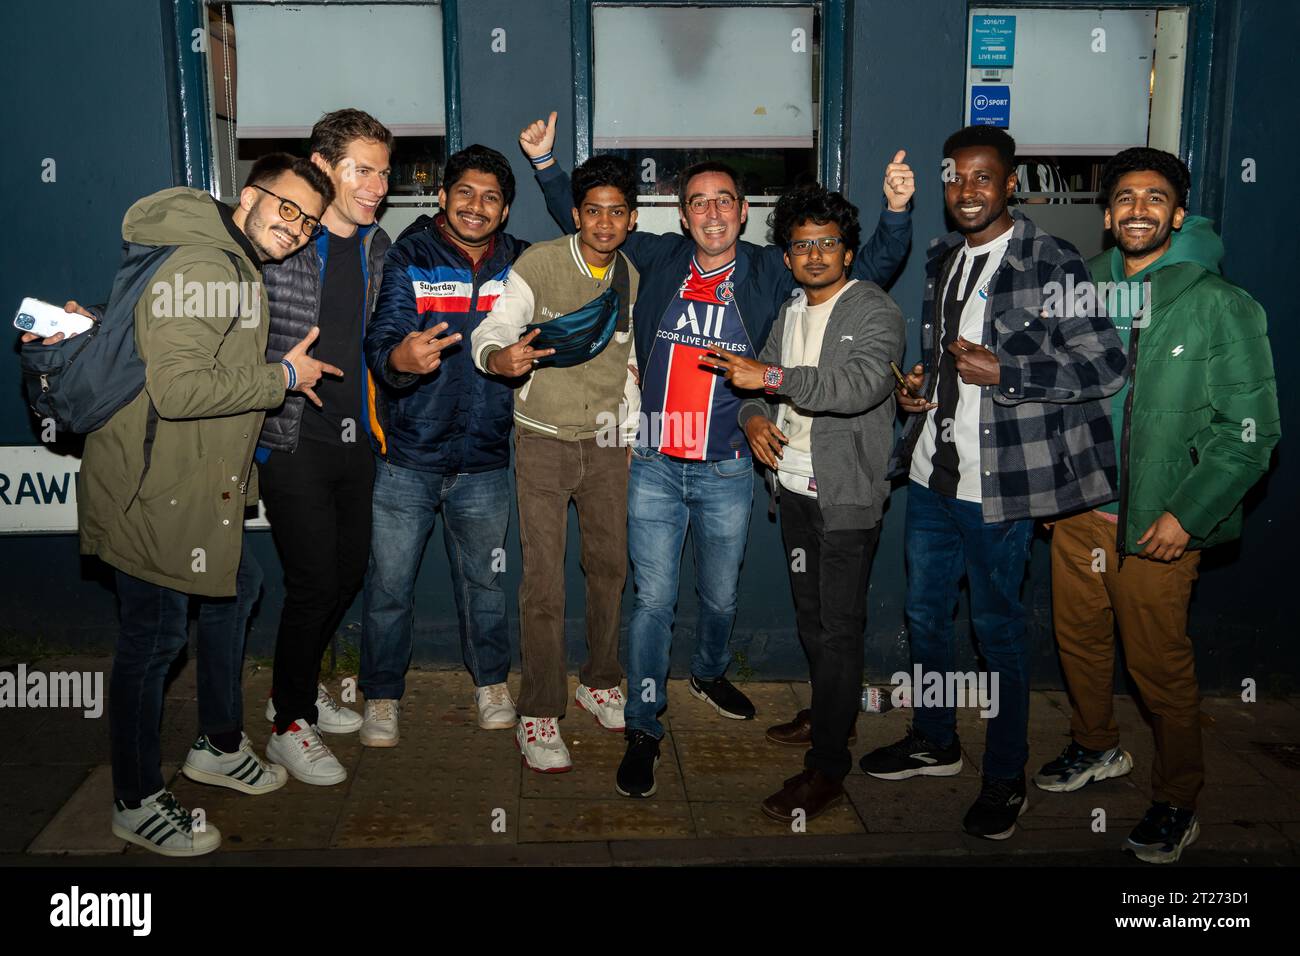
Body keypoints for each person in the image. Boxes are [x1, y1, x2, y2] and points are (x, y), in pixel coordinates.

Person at [519, 112, 915, 799]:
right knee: (654, 602)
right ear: (682, 214)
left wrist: (899, 213)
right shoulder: (661, 259)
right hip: (652, 467)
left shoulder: (772, 269)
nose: (711, 211)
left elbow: (862, 265)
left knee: (721, 595)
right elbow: (593, 223)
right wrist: (547, 167)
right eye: (697, 200)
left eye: (723, 200)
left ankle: (706, 670)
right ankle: (645, 723)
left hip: (731, 468)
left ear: (742, 211)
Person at [37, 155, 337, 856]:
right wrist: (283, 375)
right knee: (154, 639)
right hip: (154, 488)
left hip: (190, 484)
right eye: (288, 208)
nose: (296, 229)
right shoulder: (209, 266)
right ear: (251, 196)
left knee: (240, 588)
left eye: (309, 222)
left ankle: (218, 744)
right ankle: (136, 800)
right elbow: (178, 392)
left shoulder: (225, 259)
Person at [862, 125, 1127, 841]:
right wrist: (922, 390)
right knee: (923, 618)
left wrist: (1005, 373)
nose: (967, 191)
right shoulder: (944, 256)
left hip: (1001, 489)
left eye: (984, 178)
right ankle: (935, 739)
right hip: (928, 478)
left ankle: (1005, 776)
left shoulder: (1054, 262)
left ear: (1012, 183)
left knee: (997, 633)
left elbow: (1105, 368)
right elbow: (948, 365)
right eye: (956, 178)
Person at [1035, 147, 1279, 863]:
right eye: (1125, 198)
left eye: (1155, 197)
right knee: (1078, 646)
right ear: (1108, 216)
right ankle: (1095, 747)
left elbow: (1251, 433)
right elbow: (1063, 402)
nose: (1138, 208)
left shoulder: (1219, 303)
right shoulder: (1084, 289)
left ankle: (1177, 799)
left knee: (1159, 671)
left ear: (1177, 213)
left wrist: (1187, 516)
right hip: (1082, 515)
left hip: (1157, 526)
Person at [704, 184, 904, 821]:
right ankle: (830, 717)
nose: (814, 255)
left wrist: (764, 381)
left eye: (827, 243)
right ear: (786, 256)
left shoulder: (872, 309)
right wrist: (756, 417)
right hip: (790, 487)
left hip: (844, 498)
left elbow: (859, 385)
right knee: (813, 620)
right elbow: (757, 377)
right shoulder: (790, 311)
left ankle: (828, 769)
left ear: (848, 251)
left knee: (839, 632)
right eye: (801, 245)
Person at [472, 156, 641, 773]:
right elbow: (492, 329)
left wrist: (629, 427)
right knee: (542, 581)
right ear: (576, 214)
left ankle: (600, 680)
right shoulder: (539, 263)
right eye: (592, 210)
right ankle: (538, 711)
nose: (603, 221)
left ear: (630, 219)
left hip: (605, 445)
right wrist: (498, 358)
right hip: (541, 441)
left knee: (609, 569)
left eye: (616, 211)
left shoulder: (630, 275)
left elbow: (625, 363)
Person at [359, 145, 527, 745]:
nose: (475, 207)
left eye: (490, 198)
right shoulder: (409, 255)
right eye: (464, 193)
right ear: (442, 196)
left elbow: (557, 332)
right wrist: (401, 361)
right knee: (389, 586)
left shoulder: (523, 265)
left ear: (504, 211)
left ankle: (489, 683)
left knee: (484, 583)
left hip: (485, 459)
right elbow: (382, 345)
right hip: (409, 457)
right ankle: (380, 695)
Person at [257, 109, 394, 785]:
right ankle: (287, 723)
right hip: (290, 436)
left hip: (355, 438)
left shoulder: (379, 246)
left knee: (345, 574)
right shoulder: (281, 244)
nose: (378, 185)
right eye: (362, 170)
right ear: (322, 166)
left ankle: (296, 687)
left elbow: (379, 343)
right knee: (312, 582)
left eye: (384, 172)